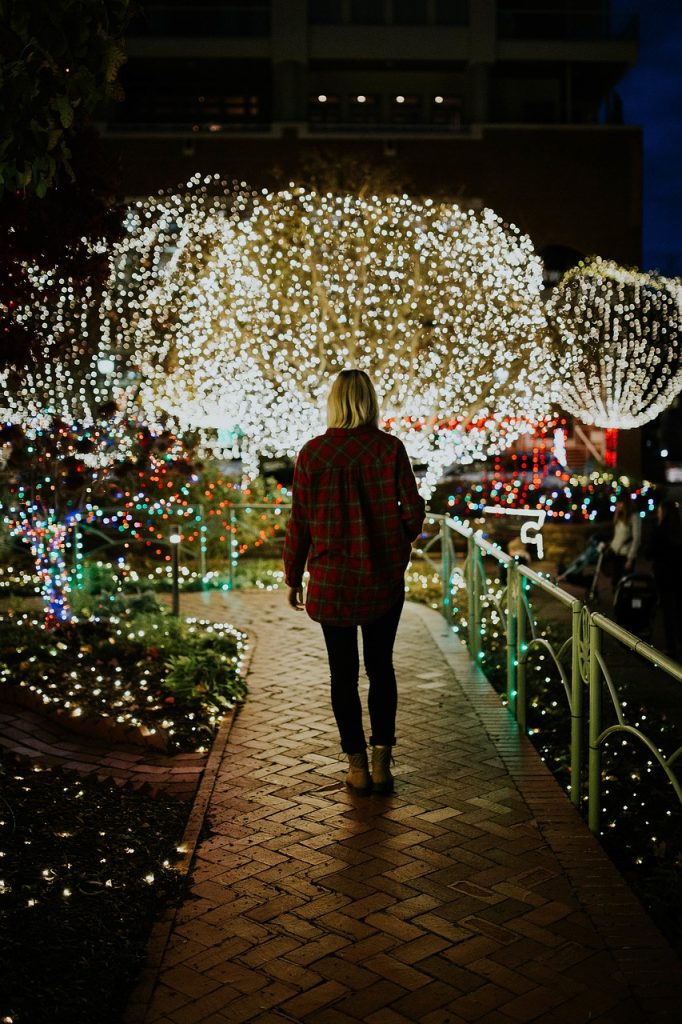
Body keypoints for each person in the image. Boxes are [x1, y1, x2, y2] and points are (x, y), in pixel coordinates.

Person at [283, 369, 425, 794]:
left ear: (334, 402)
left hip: (332, 581)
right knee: (381, 668)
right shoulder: (389, 449)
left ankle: (357, 766)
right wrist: (397, 544)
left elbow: (300, 522)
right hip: (381, 580)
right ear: (370, 402)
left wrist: (293, 575)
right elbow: (413, 510)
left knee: (341, 674)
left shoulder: (312, 454)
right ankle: (383, 762)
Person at [649, 497, 682, 659]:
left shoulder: (660, 530)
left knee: (668, 612)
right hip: (678, 575)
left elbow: (651, 552)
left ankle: (671, 647)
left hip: (665, 576)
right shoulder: (678, 529)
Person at [605, 496, 641, 588]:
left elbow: (636, 538)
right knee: (615, 581)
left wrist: (630, 558)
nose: (618, 505)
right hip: (616, 552)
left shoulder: (634, 517)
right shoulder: (619, 515)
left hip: (626, 553)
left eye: (620, 503)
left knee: (626, 583)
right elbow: (618, 535)